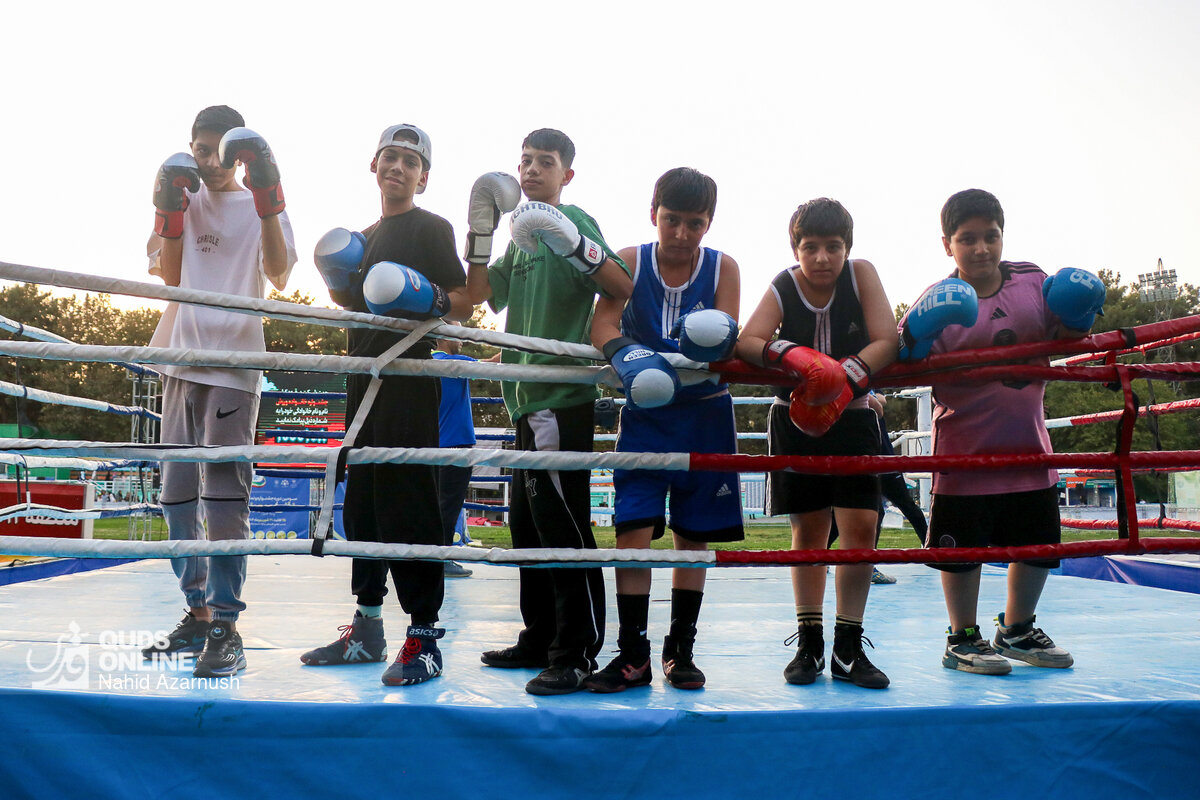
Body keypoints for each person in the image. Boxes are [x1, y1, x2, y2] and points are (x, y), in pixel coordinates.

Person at [901, 188, 1103, 675]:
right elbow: (903, 361)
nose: (981, 249)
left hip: (1029, 445)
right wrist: (913, 338)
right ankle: (961, 638)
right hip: (963, 452)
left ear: (1002, 236)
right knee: (962, 551)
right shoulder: (936, 299)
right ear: (947, 244)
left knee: (1037, 545)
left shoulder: (1032, 281)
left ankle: (1017, 629)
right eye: (967, 239)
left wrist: (1079, 311)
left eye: (990, 237)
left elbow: (1069, 335)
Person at [301, 124, 473, 686]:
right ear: (373, 165)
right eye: (390, 157)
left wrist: (432, 297)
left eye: (410, 161)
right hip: (362, 380)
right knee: (364, 507)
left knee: (410, 504)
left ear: (424, 177)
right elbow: (354, 305)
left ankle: (425, 637)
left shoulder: (431, 227)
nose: (398, 167)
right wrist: (337, 281)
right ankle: (368, 628)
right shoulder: (363, 236)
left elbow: (464, 302)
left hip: (408, 381)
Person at [465, 128, 632, 695]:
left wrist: (572, 242)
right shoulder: (519, 238)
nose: (532, 170)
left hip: (559, 402)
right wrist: (480, 230)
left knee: (563, 527)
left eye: (545, 162)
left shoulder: (574, 219)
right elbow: (484, 295)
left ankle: (576, 652)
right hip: (524, 401)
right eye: (525, 162)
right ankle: (540, 637)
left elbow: (621, 284)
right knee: (528, 527)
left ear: (567, 174)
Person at [141, 105, 297, 678]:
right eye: (201, 150)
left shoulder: (256, 202)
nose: (209, 162)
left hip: (233, 367)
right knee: (176, 499)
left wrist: (268, 200)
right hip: (180, 362)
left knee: (225, 502)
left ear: (239, 153)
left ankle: (227, 627)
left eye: (219, 151)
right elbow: (170, 276)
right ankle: (198, 612)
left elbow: (279, 273)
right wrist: (169, 212)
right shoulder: (183, 195)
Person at [584, 167, 743, 692]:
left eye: (694, 223)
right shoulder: (630, 260)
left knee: (692, 534)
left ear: (709, 223)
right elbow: (602, 324)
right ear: (653, 214)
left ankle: (681, 649)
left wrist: (705, 343)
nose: (680, 232)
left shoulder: (723, 267)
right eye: (671, 219)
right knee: (632, 529)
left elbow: (725, 338)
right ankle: (633, 655)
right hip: (646, 416)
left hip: (705, 415)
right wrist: (627, 355)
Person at [734, 198, 898, 690]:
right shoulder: (785, 284)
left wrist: (841, 379)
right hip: (793, 417)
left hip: (854, 415)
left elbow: (886, 339)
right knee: (808, 530)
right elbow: (748, 340)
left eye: (833, 246)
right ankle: (810, 643)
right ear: (795, 249)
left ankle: (848, 646)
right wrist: (796, 357)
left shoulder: (861, 275)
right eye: (810, 247)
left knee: (861, 527)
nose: (822, 257)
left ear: (847, 248)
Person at [433, 338, 477, 577]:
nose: (461, 341)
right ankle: (441, 559)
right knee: (448, 505)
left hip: (432, 446)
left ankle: (430, 557)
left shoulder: (425, 363)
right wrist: (518, 347)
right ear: (444, 337)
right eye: (456, 334)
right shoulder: (457, 363)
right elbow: (491, 366)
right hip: (456, 445)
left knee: (435, 504)